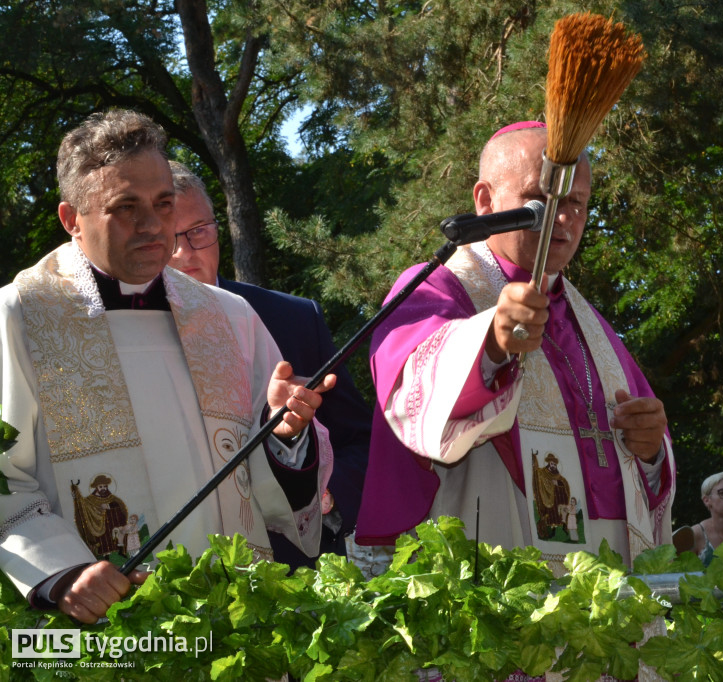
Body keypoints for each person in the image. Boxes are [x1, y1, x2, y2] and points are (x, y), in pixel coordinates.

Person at [0, 109, 335, 623]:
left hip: (232, 614)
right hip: (105, 622)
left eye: (162, 203)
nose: (154, 225)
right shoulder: (19, 317)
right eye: (125, 207)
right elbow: (5, 477)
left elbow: (267, 483)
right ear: (71, 219)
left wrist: (285, 434)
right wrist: (61, 570)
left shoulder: (228, 316)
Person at [354, 121, 675, 569]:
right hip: (492, 554)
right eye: (541, 198)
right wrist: (489, 345)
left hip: (606, 574)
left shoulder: (594, 327)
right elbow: (410, 397)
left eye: (577, 203)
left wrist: (652, 450)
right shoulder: (439, 287)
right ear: (485, 201)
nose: (562, 218)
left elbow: (646, 467)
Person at [166, 161, 372, 568]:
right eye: (168, 238)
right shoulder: (126, 337)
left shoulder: (294, 319)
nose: (184, 253)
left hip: (294, 570)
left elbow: (360, 440)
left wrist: (324, 494)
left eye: (198, 231)